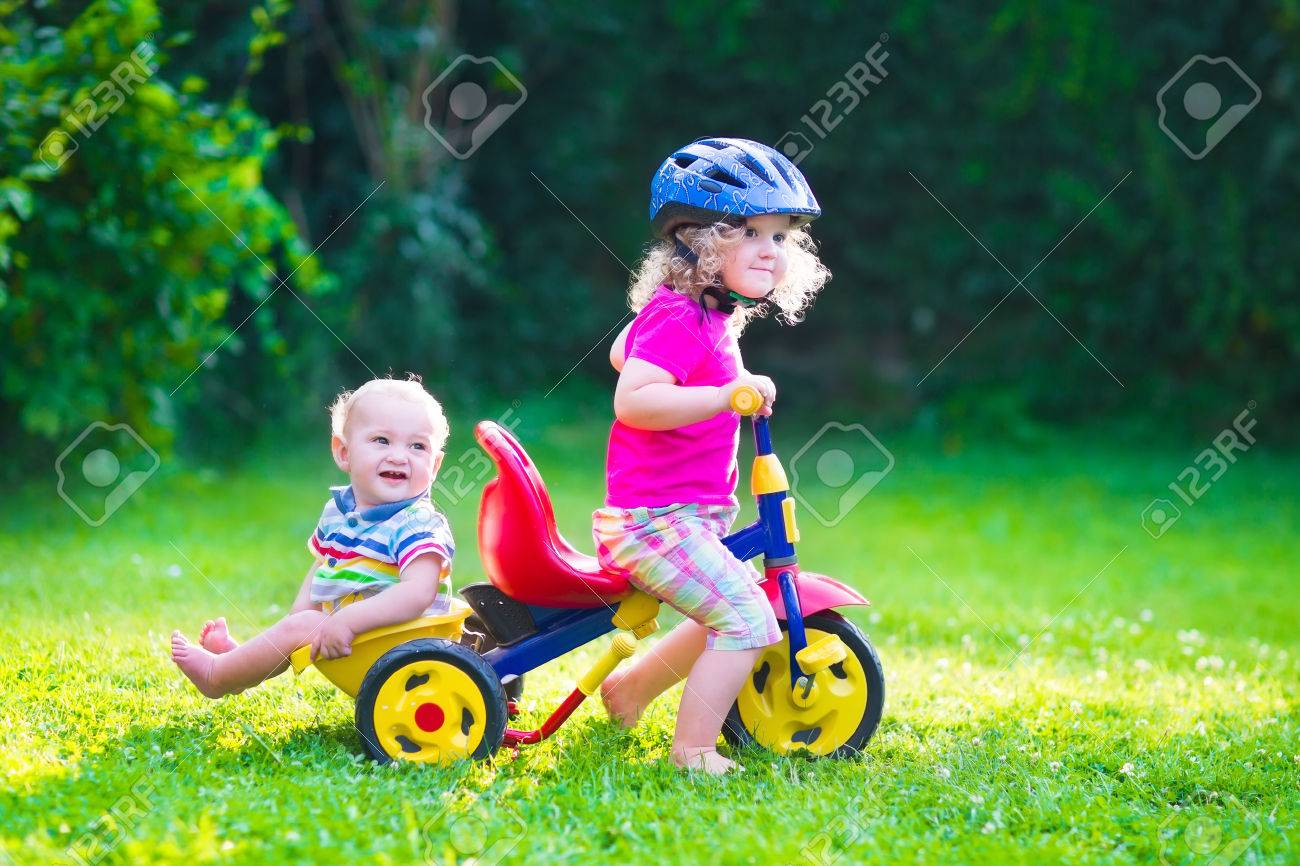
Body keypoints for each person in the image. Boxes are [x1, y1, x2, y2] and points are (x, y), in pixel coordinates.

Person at [593, 137, 831, 773]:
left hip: (686, 517)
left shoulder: (702, 316)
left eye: (780, 236)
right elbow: (634, 400)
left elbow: (625, 351)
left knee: (732, 602)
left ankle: (630, 690)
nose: (769, 250)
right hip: (653, 523)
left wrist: (727, 390)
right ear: (697, 243)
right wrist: (726, 393)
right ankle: (693, 749)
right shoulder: (679, 316)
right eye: (749, 231)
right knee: (749, 619)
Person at [171, 376, 455, 699]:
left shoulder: (416, 523)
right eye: (381, 441)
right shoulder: (338, 513)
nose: (399, 456)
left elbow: (418, 593)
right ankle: (239, 663)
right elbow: (323, 564)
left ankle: (216, 676)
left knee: (301, 626)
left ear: (434, 465)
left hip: (400, 642)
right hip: (360, 636)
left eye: (417, 446)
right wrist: (298, 617)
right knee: (299, 625)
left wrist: (344, 621)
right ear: (343, 452)